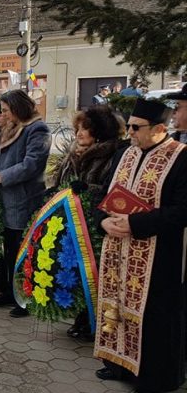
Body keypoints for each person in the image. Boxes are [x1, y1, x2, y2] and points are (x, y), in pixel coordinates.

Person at [93, 98, 187, 393]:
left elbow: (182, 211)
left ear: (159, 128)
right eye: (129, 125)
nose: (129, 132)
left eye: (136, 127)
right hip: (118, 250)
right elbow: (106, 196)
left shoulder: (181, 158)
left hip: (159, 254)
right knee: (117, 307)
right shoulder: (127, 154)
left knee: (154, 316)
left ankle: (154, 376)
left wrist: (135, 225)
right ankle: (119, 362)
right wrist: (102, 222)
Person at [49, 105, 126, 340]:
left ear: (99, 131)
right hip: (72, 219)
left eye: (85, 129)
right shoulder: (76, 152)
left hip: (95, 221)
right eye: (77, 128)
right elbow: (61, 179)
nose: (79, 133)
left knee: (93, 270)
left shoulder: (112, 155)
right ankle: (81, 317)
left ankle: (92, 321)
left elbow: (111, 191)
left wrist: (86, 190)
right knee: (75, 269)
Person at [0, 90, 51, 318]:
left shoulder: (37, 129)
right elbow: (0, 161)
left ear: (17, 108)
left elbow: (32, 164)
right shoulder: (12, 129)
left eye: (5, 110)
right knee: (10, 250)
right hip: (6, 199)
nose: (1, 115)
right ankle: (10, 291)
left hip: (24, 199)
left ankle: (25, 299)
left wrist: (1, 177)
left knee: (23, 251)